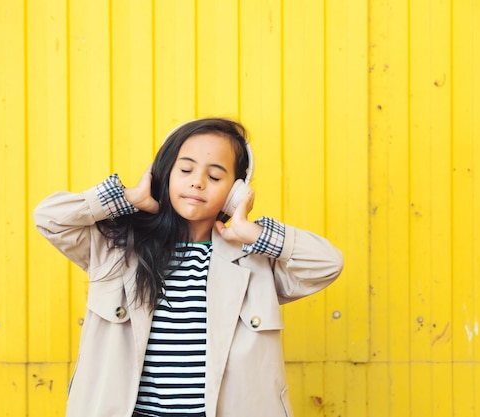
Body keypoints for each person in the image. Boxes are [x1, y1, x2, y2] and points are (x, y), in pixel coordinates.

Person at [34, 118, 343, 417]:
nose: (197, 181)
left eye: (215, 176)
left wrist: (252, 231)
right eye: (185, 169)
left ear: (235, 191)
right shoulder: (117, 247)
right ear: (164, 174)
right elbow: (49, 218)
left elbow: (328, 263)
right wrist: (129, 197)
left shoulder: (256, 258)